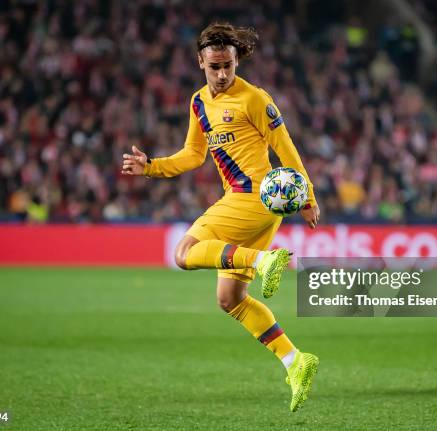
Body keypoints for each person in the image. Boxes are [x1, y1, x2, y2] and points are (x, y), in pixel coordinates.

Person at [121, 23, 320, 412]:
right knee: (230, 299)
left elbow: (286, 148)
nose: (223, 74)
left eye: (229, 65)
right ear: (200, 62)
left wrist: (307, 196)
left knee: (184, 252)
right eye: (215, 66)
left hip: (256, 198)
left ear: (236, 60)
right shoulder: (198, 103)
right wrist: (152, 167)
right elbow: (193, 155)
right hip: (251, 207)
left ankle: (263, 260)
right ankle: (295, 361)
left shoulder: (255, 99)